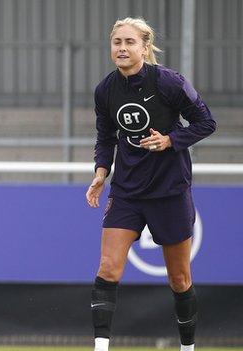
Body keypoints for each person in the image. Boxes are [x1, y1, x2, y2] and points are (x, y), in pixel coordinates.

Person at [85, 17, 216, 351]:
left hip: (169, 190)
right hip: (127, 191)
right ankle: (101, 347)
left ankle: (188, 348)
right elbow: (105, 136)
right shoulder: (106, 89)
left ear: (145, 47)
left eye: (130, 42)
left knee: (179, 279)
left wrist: (171, 140)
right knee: (108, 268)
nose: (122, 49)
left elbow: (206, 122)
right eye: (117, 42)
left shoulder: (169, 82)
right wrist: (101, 171)